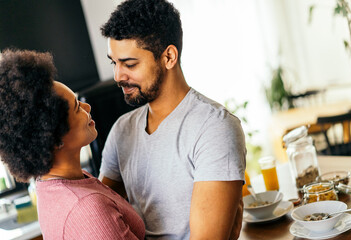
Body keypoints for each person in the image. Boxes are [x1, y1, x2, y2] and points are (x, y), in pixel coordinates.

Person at [99, 0, 247, 239]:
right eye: (113, 62)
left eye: (129, 64)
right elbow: (99, 215)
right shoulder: (121, 131)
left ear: (168, 57)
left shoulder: (214, 127)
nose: (117, 76)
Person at [0, 49, 145, 239]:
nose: (87, 107)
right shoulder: (87, 208)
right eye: (77, 107)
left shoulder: (52, 185)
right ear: (54, 135)